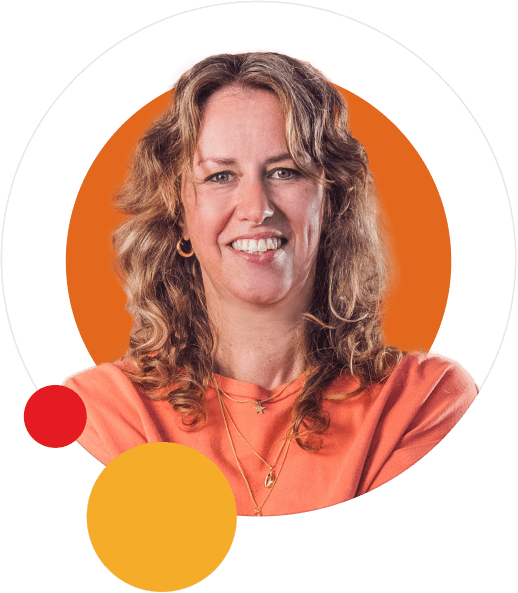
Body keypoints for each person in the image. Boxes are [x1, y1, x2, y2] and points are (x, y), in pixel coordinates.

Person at [63, 50, 478, 517]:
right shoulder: (98, 412)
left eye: (285, 171)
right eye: (220, 176)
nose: (256, 208)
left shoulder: (422, 401)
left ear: (330, 200)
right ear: (178, 214)